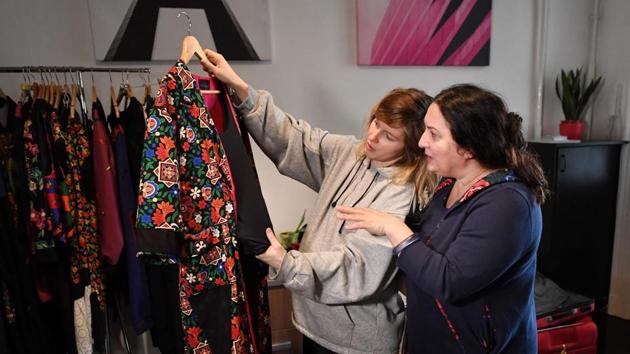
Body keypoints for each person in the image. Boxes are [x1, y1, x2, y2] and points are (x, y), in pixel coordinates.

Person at [201, 49, 435, 353]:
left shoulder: (400, 194)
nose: (373, 135)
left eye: (389, 135)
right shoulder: (351, 153)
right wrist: (242, 90)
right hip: (316, 322)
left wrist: (285, 263)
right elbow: (293, 138)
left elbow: (356, 267)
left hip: (357, 341)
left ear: (412, 148)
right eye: (376, 122)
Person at [337, 84, 548, 353]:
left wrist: (392, 227)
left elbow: (450, 281)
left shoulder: (508, 204)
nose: (422, 141)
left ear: (468, 147)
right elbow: (430, 241)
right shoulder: (450, 184)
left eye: (434, 135)